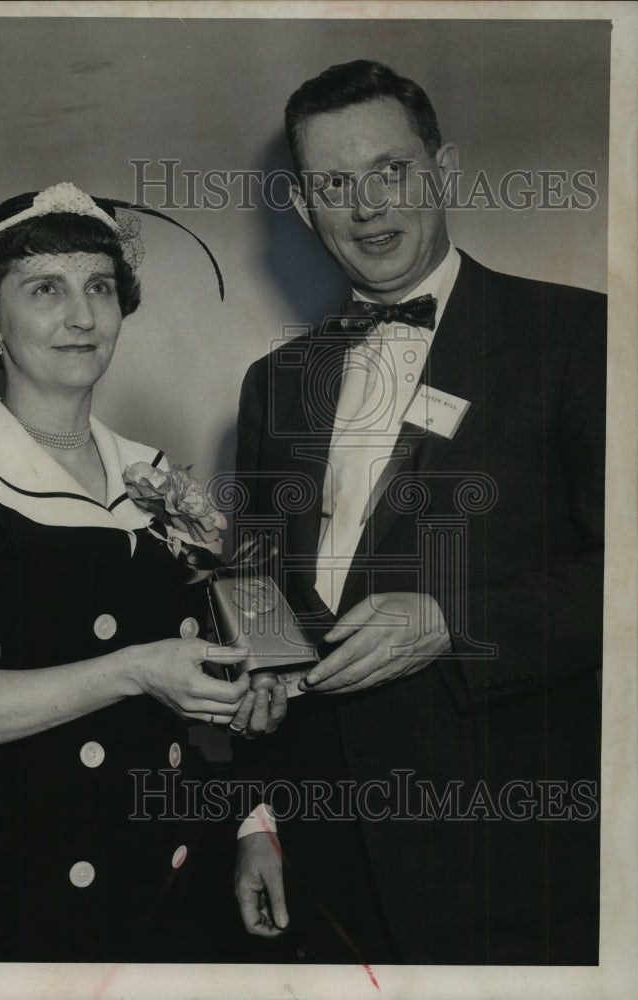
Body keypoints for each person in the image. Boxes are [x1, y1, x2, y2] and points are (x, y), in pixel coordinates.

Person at [233, 61, 604, 965]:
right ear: (306, 207)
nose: (366, 207)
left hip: (518, 849)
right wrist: (255, 816)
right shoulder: (272, 382)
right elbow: (252, 603)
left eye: (389, 170)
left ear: (443, 168)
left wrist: (449, 623)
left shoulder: (583, 338)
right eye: (333, 184)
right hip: (322, 850)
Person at [0, 182, 256, 962]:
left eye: (99, 287)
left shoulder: (152, 477)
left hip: (153, 884)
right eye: (45, 289)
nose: (82, 316)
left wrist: (252, 804)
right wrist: (136, 669)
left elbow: (197, 699)